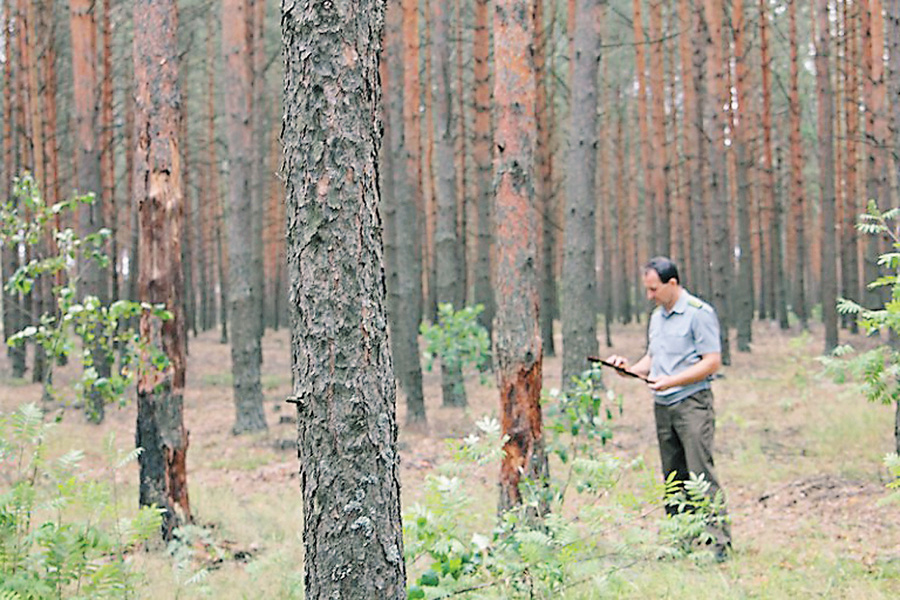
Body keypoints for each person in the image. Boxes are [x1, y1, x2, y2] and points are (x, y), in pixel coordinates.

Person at [607, 256, 731, 561]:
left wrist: (672, 381)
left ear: (672, 284)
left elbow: (712, 361)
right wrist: (629, 370)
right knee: (673, 476)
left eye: (653, 289)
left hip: (692, 404)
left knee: (700, 473)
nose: (649, 296)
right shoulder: (657, 318)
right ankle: (679, 539)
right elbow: (653, 358)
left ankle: (719, 543)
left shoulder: (699, 314)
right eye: (647, 290)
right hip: (662, 406)